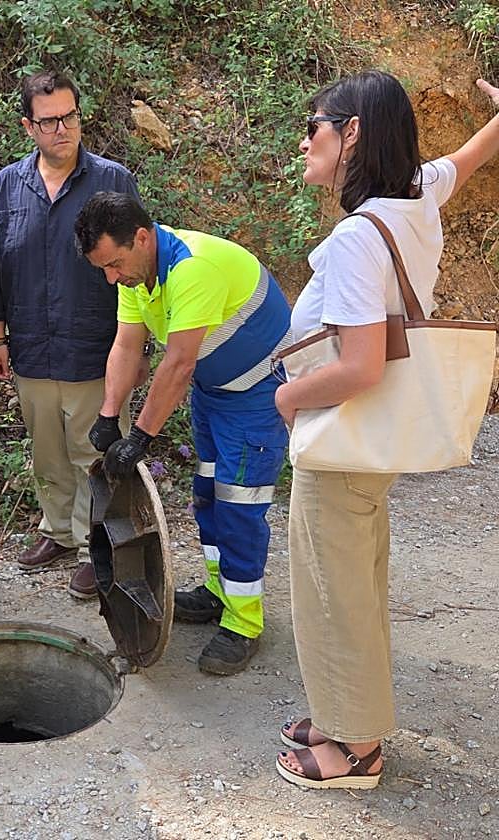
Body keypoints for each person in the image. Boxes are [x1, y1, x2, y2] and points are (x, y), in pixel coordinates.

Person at [273, 72, 499, 790]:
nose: (305, 138)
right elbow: (468, 159)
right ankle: (344, 715)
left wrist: (290, 401)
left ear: (354, 133)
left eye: (315, 125)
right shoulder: (414, 195)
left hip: (343, 432)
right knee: (356, 580)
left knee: (331, 591)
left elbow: (362, 365)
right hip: (375, 439)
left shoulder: (354, 239)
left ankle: (355, 750)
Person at [75, 192, 291, 676]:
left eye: (113, 264)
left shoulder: (193, 269)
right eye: (103, 269)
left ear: (142, 238)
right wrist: (110, 416)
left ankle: (244, 622)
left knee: (238, 506)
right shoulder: (136, 272)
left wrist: (141, 438)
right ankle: (219, 593)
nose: (111, 277)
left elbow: (178, 363)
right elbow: (127, 345)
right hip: (215, 391)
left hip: (257, 394)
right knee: (208, 495)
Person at [0, 70, 141, 599]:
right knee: (47, 451)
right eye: (48, 121)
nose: (62, 129)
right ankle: (59, 531)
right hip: (30, 345)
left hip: (95, 346)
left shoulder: (111, 180)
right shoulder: (8, 184)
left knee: (92, 452)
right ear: (29, 126)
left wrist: (135, 348)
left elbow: (139, 265)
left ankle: (98, 545)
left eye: (69, 116)